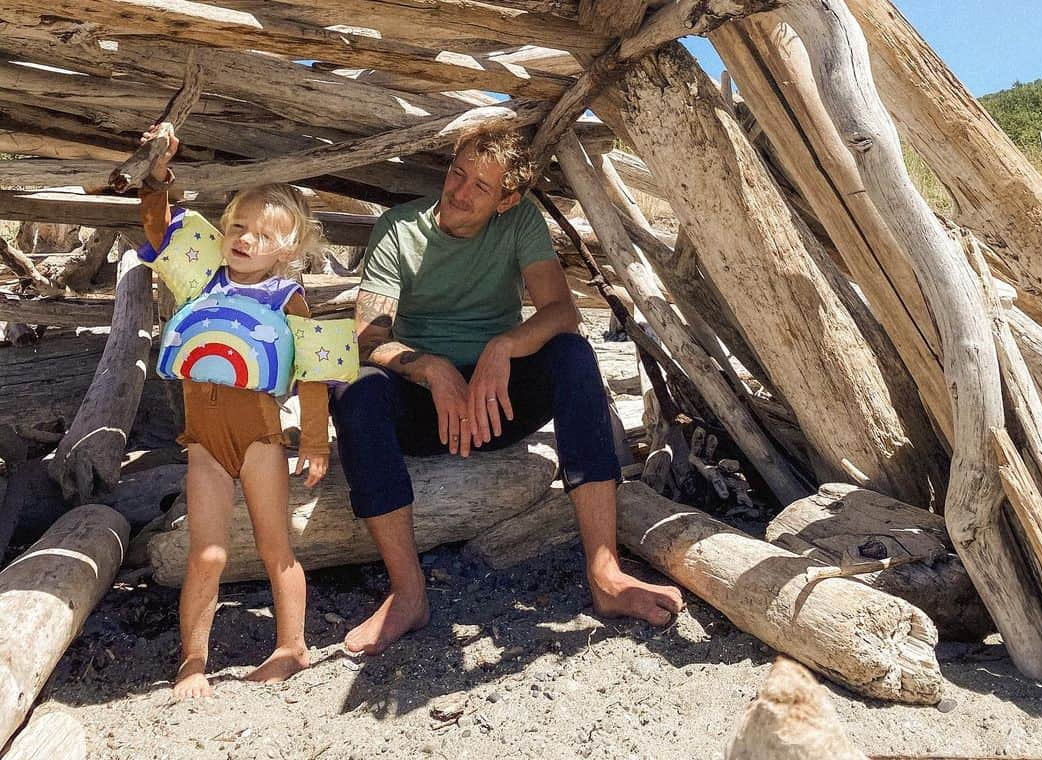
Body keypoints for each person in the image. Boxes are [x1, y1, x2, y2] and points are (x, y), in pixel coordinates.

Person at [330, 126, 683, 655]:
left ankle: (605, 572)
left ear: (508, 200)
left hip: (497, 407)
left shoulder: (520, 222)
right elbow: (367, 337)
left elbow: (562, 312)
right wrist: (431, 368)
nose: (459, 192)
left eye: (481, 187)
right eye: (457, 173)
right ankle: (407, 593)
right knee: (352, 387)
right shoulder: (400, 228)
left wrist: (502, 347)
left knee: (571, 356)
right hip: (426, 407)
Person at [137, 124, 330, 699]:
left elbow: (316, 371)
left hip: (261, 441)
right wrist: (158, 173)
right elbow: (155, 225)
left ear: (289, 250)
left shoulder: (288, 297)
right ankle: (193, 660)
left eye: (262, 235)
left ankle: (292, 647)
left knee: (276, 546)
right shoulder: (201, 280)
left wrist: (315, 442)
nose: (244, 240)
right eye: (237, 228)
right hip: (204, 443)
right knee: (208, 552)